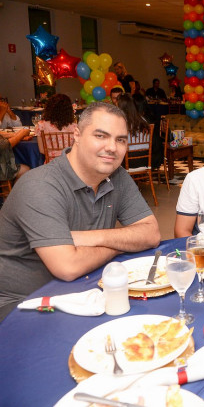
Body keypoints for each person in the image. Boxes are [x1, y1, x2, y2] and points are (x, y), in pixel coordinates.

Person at [0, 102, 161, 320]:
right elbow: (68, 266)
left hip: (84, 291)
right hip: (23, 304)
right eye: (101, 136)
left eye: (121, 140)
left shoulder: (117, 176)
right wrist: (120, 246)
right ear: (77, 134)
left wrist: (87, 238)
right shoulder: (40, 185)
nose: (112, 147)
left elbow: (151, 234)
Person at [35, 94, 77, 158]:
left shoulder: (41, 125)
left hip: (51, 162)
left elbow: (42, 150)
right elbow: (76, 150)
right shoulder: (75, 127)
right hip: (69, 162)